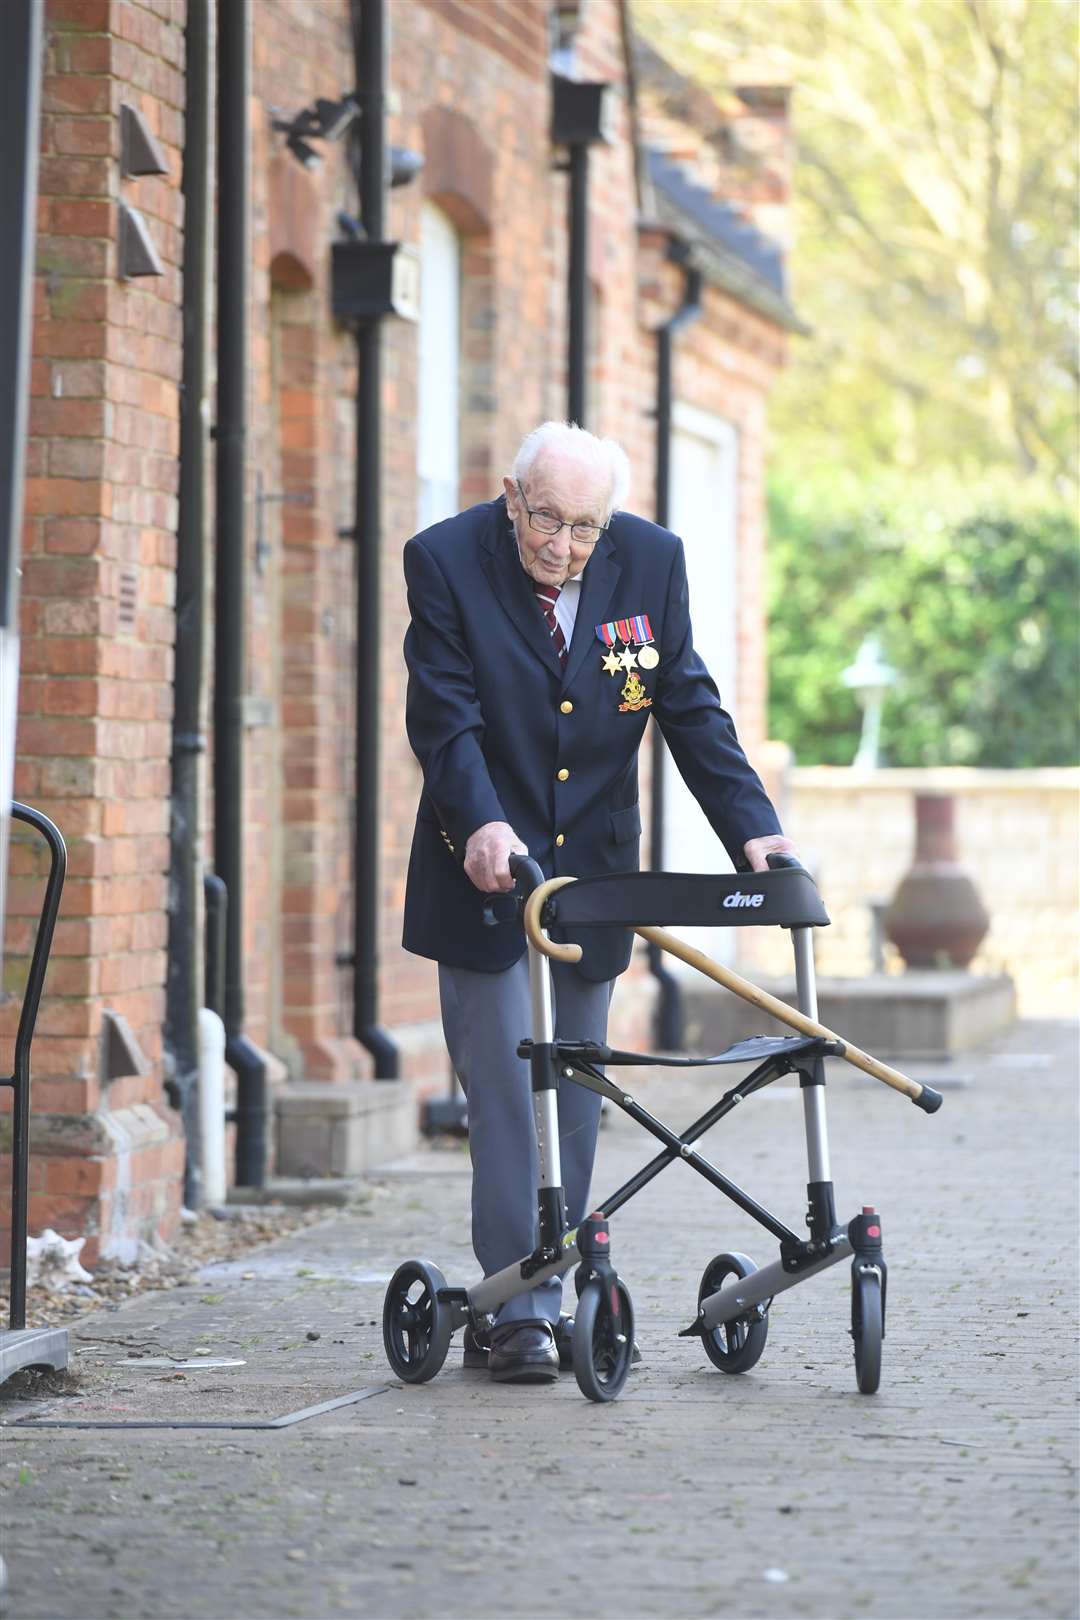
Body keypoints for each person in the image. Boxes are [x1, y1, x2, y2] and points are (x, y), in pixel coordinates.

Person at [402, 421, 797, 1384]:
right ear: (511, 496)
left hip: (594, 875)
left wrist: (756, 831)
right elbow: (444, 717)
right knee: (505, 1087)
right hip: (485, 864)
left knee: (576, 1087)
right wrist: (486, 824)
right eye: (546, 521)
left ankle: (560, 1272)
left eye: (585, 529)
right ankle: (521, 1310)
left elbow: (690, 705)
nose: (563, 547)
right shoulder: (446, 559)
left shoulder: (651, 562)